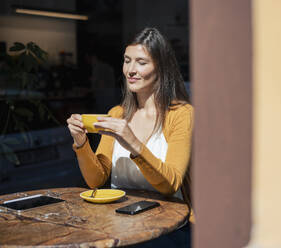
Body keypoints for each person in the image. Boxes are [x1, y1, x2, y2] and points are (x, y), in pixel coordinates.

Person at [66, 27, 193, 247]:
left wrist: (131, 141)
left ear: (161, 68)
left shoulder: (181, 114)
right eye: (127, 60)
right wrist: (81, 142)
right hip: (121, 222)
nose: (130, 70)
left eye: (141, 62)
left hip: (168, 228)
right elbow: (96, 180)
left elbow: (170, 185)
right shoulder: (118, 113)